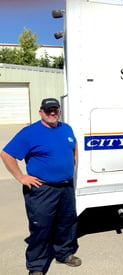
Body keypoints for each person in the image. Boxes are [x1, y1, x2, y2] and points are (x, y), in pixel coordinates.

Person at [1, 98, 81, 275]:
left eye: (55, 110)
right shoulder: (30, 133)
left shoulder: (65, 128)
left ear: (59, 111)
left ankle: (64, 253)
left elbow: (73, 144)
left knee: (67, 222)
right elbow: (6, 154)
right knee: (41, 227)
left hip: (66, 187)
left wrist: (73, 163)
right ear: (41, 112)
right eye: (48, 110)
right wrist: (21, 177)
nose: (52, 113)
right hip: (42, 189)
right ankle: (36, 266)